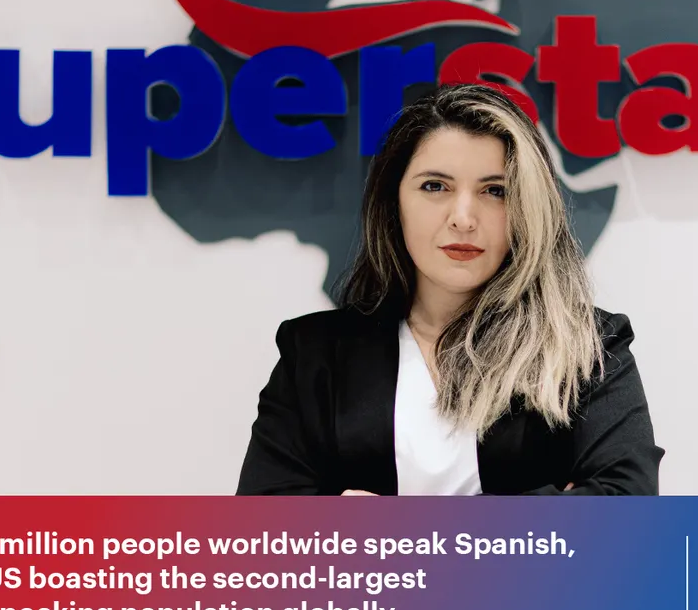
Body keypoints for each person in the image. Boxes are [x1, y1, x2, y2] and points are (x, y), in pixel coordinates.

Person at [236, 83, 663, 496]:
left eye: (495, 191)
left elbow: (627, 508)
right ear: (393, 202)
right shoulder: (314, 353)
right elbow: (266, 535)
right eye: (434, 186)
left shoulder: (587, 347)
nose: (463, 217)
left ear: (527, 209)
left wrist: (381, 530)